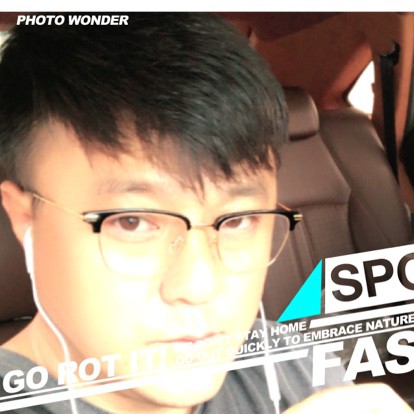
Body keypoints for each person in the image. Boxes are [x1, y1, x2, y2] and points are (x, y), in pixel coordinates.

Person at [0, 12, 411, 414]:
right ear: (25, 218)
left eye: (238, 220)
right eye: (132, 222)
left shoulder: (291, 358)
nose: (200, 287)